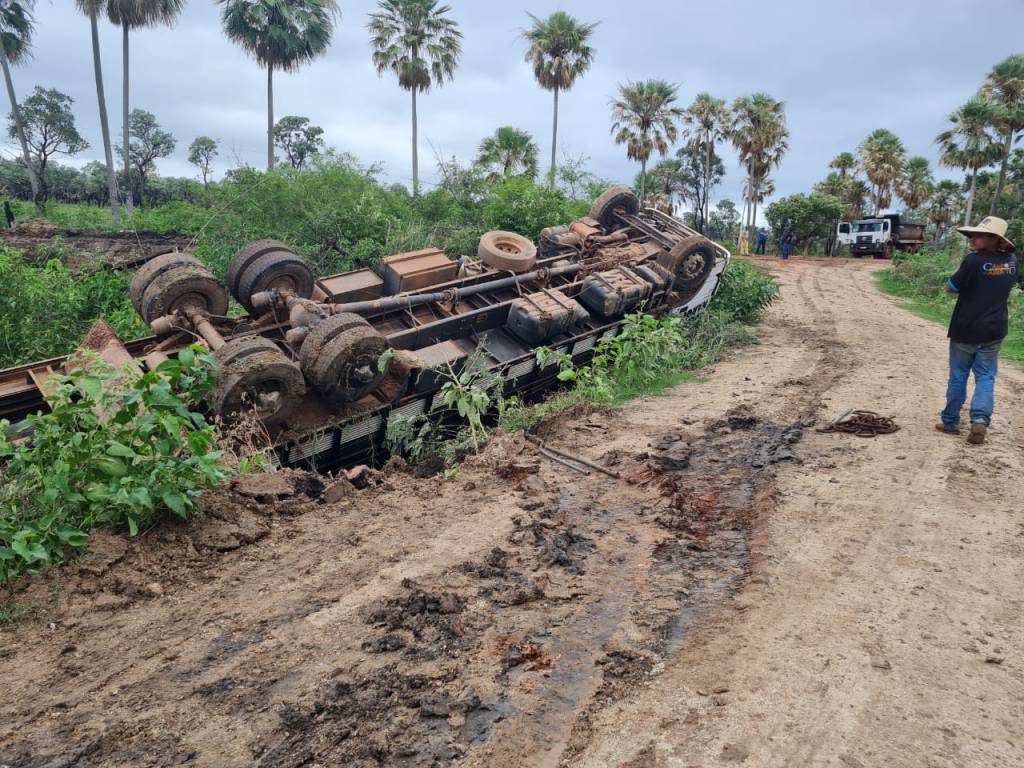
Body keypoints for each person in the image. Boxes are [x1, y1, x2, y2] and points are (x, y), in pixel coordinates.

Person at [937, 216, 1021, 444]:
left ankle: (951, 421)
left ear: (994, 239)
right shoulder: (1011, 261)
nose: (972, 238)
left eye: (979, 235)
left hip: (966, 328)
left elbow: (950, 288)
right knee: (986, 376)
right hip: (995, 330)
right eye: (972, 235)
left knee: (958, 375)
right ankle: (980, 421)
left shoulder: (973, 262)